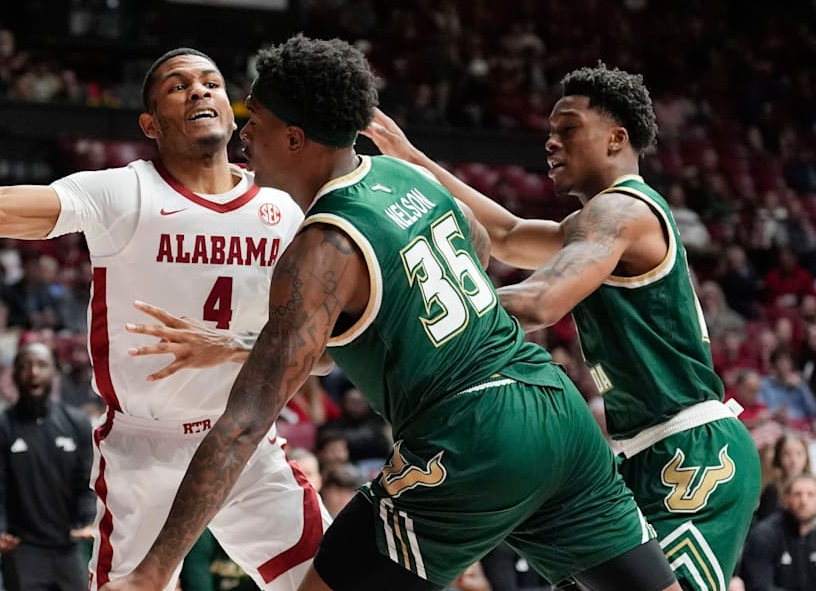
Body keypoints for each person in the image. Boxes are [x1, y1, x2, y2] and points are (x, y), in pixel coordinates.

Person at [105, 35, 678, 591]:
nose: (244, 132)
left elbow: (246, 422)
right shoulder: (403, 175)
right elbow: (477, 243)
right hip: (555, 409)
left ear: (297, 139)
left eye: (257, 120)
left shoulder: (321, 249)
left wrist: (152, 572)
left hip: (466, 436)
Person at [0, 46, 327, 590]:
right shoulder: (122, 193)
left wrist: (231, 344)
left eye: (210, 82)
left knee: (331, 578)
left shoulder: (285, 209)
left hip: (245, 440)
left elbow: (320, 356)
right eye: (179, 85)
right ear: (149, 123)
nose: (199, 90)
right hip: (149, 450)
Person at [364, 64, 761, 590]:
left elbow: (541, 302)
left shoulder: (622, 210)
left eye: (567, 129)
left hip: (693, 453)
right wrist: (410, 157)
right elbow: (505, 234)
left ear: (617, 138)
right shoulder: (594, 221)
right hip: (635, 455)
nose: (550, 143)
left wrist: (411, 311)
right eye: (550, 131)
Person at [0, 342, 95, 591]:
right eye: (25, 366)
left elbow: (86, 483)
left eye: (42, 365)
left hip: (68, 546)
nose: (33, 372)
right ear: (15, 375)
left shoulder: (78, 424)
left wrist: (87, 519)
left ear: (54, 372)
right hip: (22, 549)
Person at [741, 473, 816, 590]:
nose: (804, 501)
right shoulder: (765, 535)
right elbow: (760, 587)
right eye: (797, 494)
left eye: (811, 495)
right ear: (786, 499)